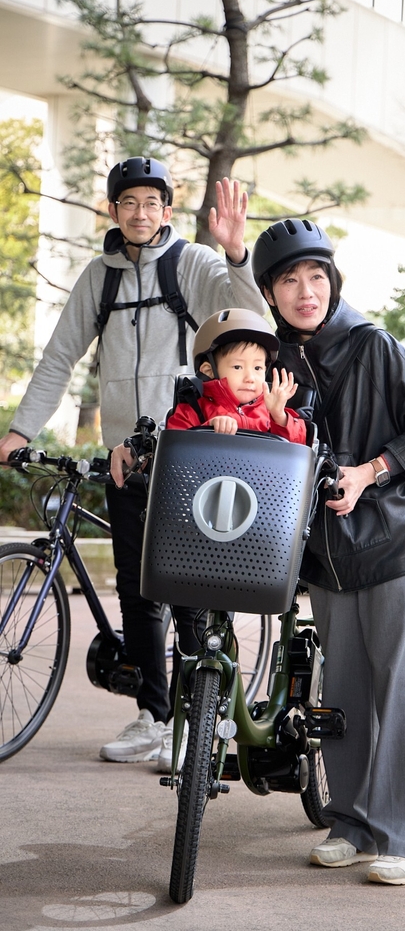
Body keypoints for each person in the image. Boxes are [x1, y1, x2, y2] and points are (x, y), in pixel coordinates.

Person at [0, 157, 265, 771]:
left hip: (193, 449)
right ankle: (155, 713)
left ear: (167, 211)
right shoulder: (100, 276)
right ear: (113, 211)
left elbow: (249, 323)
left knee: (190, 586)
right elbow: (60, 357)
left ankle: (199, 719)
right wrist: (19, 431)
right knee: (137, 589)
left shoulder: (193, 262)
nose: (140, 213)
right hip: (127, 456)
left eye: (152, 202)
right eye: (128, 203)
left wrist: (236, 255)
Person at [251, 218, 405, 887]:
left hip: (398, 545)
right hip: (329, 555)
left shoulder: (375, 346)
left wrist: (373, 471)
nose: (305, 291)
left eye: (316, 277)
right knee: (341, 695)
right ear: (272, 294)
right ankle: (354, 824)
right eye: (289, 280)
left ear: (333, 283)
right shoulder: (275, 361)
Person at [164, 308, 306, 442]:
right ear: (209, 370)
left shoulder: (271, 409)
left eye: (257, 368)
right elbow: (174, 449)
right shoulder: (192, 410)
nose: (250, 378)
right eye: (237, 367)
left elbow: (299, 452)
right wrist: (208, 429)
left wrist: (279, 417)